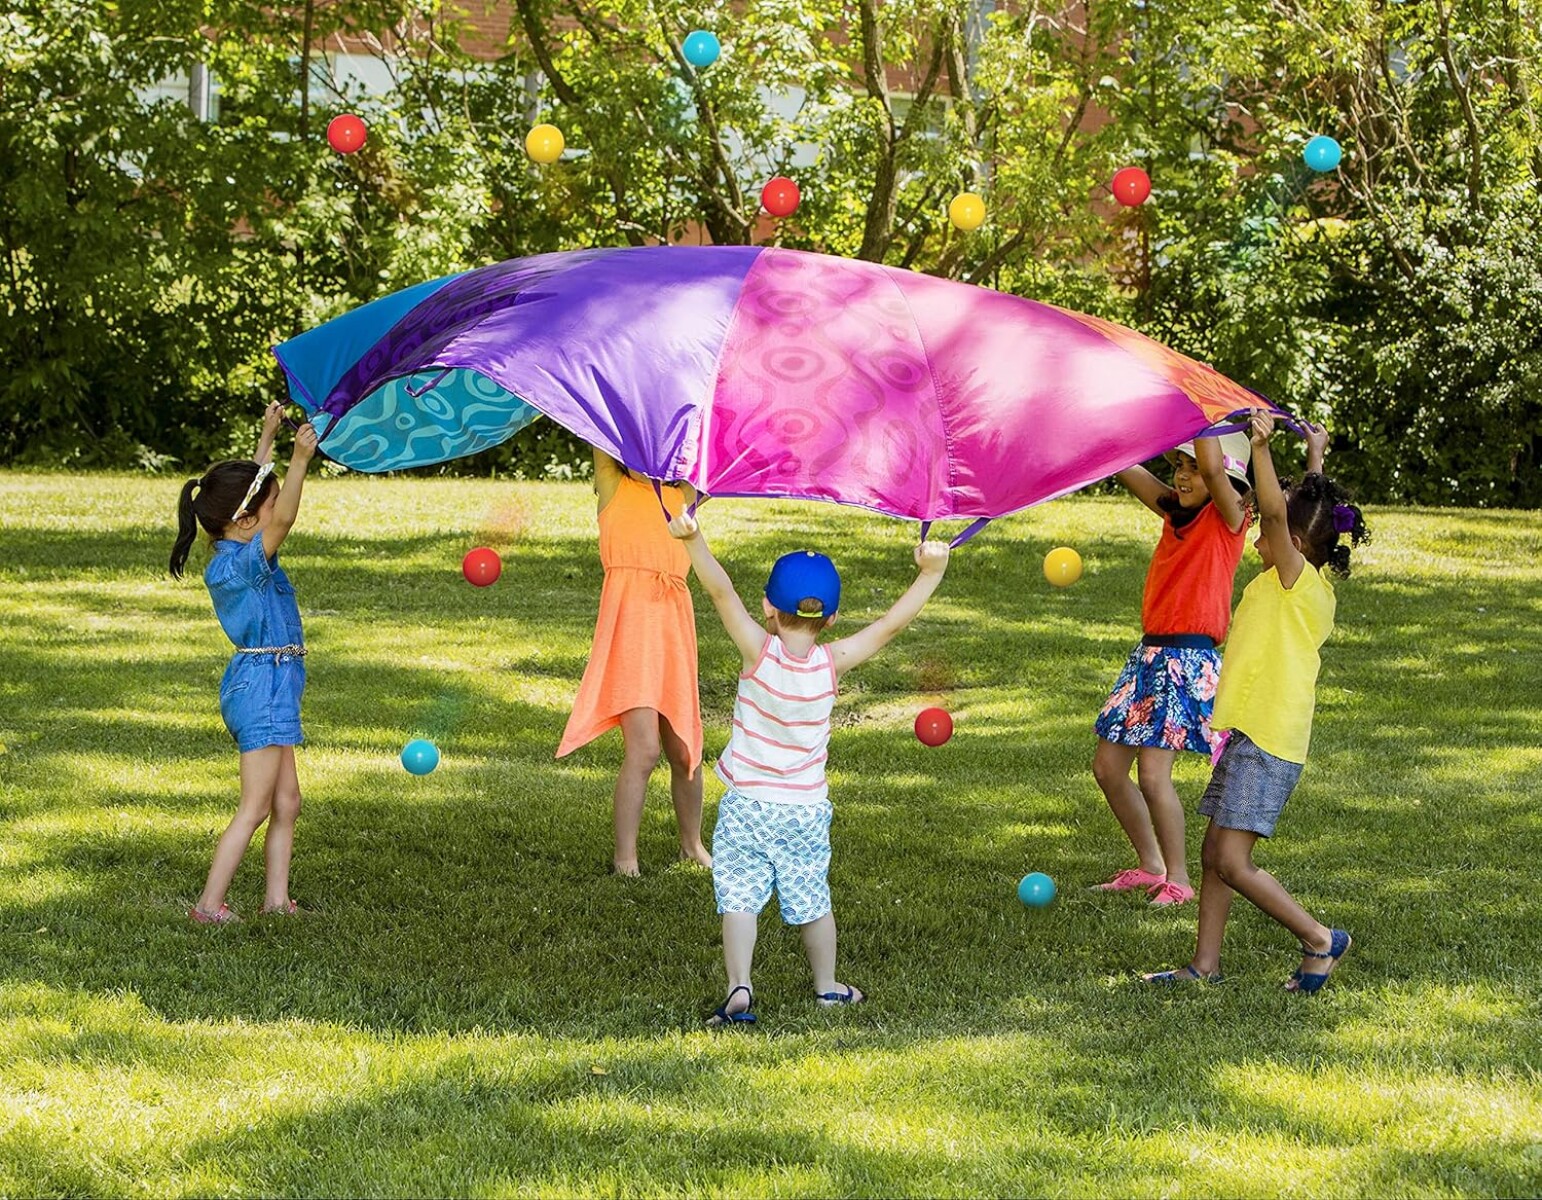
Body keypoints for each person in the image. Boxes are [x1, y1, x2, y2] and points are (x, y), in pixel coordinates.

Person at [668, 509, 950, 1027]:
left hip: (747, 806)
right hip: (803, 810)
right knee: (813, 899)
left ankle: (739, 989)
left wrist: (693, 539)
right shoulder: (832, 660)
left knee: (740, 898)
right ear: (832, 619)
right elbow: (889, 626)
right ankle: (827, 988)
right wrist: (929, 573)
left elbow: (720, 594)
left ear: (768, 610)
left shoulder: (758, 650)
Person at [1143, 410, 1368, 992]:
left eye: (1266, 532)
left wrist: (1262, 450)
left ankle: (1320, 939)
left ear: (1290, 543)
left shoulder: (1296, 581)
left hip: (1267, 742)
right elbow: (1300, 507)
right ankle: (1204, 965)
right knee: (1216, 850)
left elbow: (1276, 510)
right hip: (1248, 734)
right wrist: (1313, 454)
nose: (1255, 535)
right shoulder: (1291, 572)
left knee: (1232, 861)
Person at [1091, 423, 1326, 905]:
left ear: (1234, 487)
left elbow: (1217, 469)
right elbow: (1121, 464)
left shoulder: (1229, 520)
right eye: (1178, 466)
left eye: (1194, 470)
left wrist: (1204, 415)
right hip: (1150, 655)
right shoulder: (1174, 512)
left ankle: (1177, 880)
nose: (1183, 476)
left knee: (1154, 776)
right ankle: (1150, 864)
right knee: (1108, 769)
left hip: (1186, 658)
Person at [169, 402, 318, 924]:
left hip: (272, 682)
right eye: (267, 510)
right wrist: (299, 460)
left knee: (288, 801)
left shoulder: (236, 541)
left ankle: (277, 901)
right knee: (255, 807)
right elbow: (283, 516)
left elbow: (254, 502)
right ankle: (209, 905)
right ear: (247, 522)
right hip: (262, 686)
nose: (275, 515)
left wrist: (268, 439)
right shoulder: (244, 566)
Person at [557, 449, 710, 876]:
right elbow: (600, 415)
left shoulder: (685, 495)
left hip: (673, 636)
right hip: (631, 639)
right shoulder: (613, 484)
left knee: (685, 750)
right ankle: (626, 857)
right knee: (643, 751)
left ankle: (691, 845)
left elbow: (709, 447)